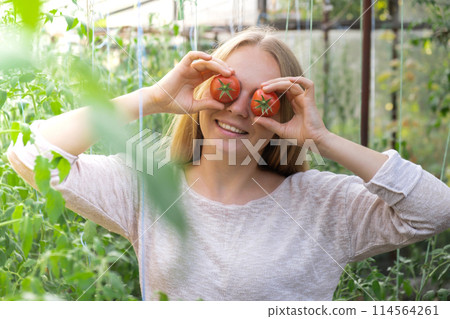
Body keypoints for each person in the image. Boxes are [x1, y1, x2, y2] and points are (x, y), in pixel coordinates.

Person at [6, 26, 450, 301]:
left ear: (281, 113)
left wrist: (322, 139)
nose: (238, 108)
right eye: (226, 86)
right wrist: (156, 98)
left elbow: (437, 210)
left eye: (263, 97)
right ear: (202, 89)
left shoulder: (323, 203)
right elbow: (31, 154)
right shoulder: (149, 188)